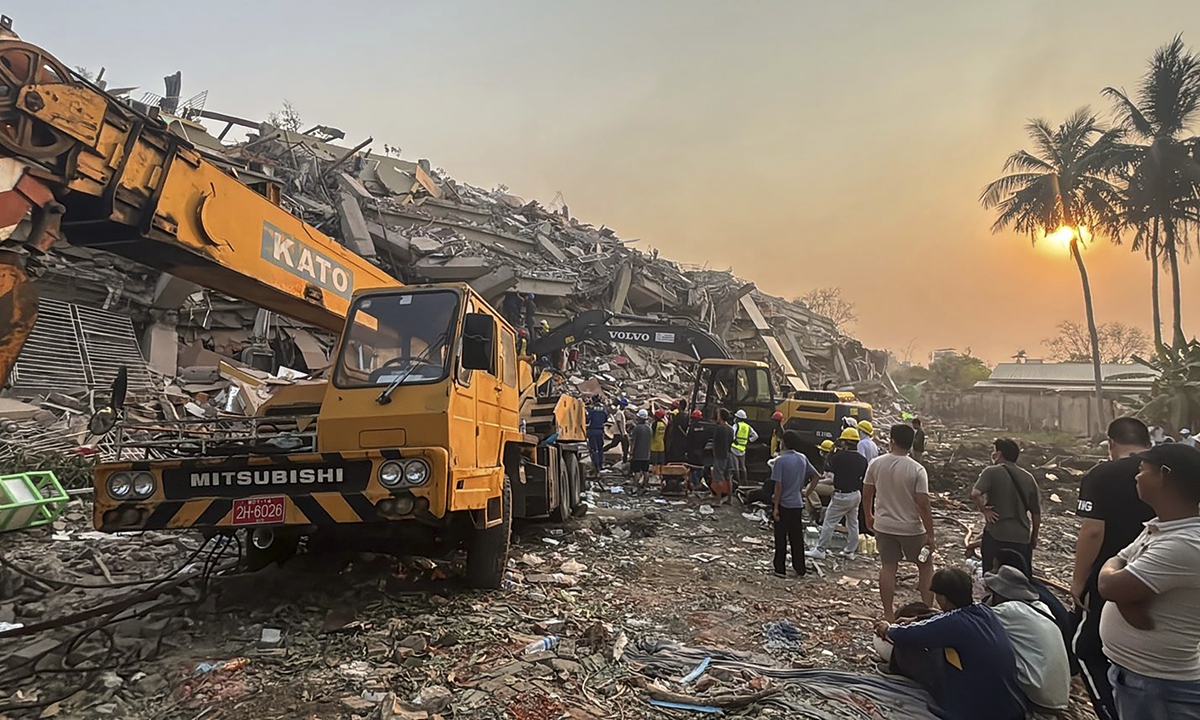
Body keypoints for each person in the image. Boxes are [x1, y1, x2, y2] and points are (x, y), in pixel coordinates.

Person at [1097, 442, 1200, 719]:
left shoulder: (1186, 544)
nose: (1136, 476)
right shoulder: (1160, 527)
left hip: (1162, 687)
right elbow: (1117, 560)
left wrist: (1122, 589)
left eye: (1143, 470)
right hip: (1143, 679)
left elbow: (1108, 585)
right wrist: (1128, 599)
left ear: (1164, 475)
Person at [1071, 417, 1154, 720]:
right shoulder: (1174, 470)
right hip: (1162, 573)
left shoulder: (1102, 475)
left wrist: (1079, 580)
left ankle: (1112, 711)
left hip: (1113, 577)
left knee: (1087, 646)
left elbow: (1093, 531)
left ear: (1111, 444)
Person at [876, 568, 1027, 720]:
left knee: (912, 647)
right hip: (1011, 707)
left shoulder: (953, 623)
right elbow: (941, 620)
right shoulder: (984, 612)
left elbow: (907, 634)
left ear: (943, 598)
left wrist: (887, 628)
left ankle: (896, 669)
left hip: (976, 711)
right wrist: (917, 619)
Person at [864, 423, 935, 621]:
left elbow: (867, 492)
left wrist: (868, 515)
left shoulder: (876, 464)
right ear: (912, 443)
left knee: (888, 567)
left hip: (884, 526)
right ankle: (927, 612)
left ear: (892, 440)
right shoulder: (917, 469)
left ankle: (888, 614)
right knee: (925, 566)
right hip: (912, 529)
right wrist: (930, 534)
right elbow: (923, 504)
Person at [982, 565, 1071, 713]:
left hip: (1038, 694)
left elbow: (971, 619)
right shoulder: (1041, 606)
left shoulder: (1009, 610)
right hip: (1059, 695)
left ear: (999, 593)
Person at [971, 438, 1040, 575]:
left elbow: (975, 494)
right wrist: (1034, 537)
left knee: (992, 577)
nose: (992, 454)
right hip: (1021, 538)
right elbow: (1036, 512)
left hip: (997, 535)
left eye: (994, 451)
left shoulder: (991, 472)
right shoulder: (1028, 477)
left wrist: (984, 510)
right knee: (1020, 579)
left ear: (999, 454)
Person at [805, 428, 868, 560]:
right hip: (856, 494)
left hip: (841, 495)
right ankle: (850, 551)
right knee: (852, 523)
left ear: (845, 443)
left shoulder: (839, 457)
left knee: (829, 522)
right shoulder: (863, 460)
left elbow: (832, 477)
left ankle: (820, 549)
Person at [771, 431, 819, 578]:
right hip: (797, 503)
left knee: (781, 537)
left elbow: (778, 486)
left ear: (784, 443)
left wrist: (775, 507)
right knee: (796, 537)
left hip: (784, 504)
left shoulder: (780, 461)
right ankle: (800, 568)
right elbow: (816, 476)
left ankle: (780, 569)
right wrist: (807, 492)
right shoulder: (802, 458)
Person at [730, 409, 759, 489]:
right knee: (743, 466)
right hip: (743, 448)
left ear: (738, 418)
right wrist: (749, 440)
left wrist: (734, 440)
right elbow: (755, 436)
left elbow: (732, 434)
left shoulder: (736, 426)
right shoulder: (747, 426)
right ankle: (745, 481)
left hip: (734, 448)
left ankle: (738, 483)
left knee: (736, 467)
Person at [710, 409, 735, 504]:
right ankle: (729, 499)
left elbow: (715, 442)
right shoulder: (730, 429)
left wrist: (714, 453)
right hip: (729, 453)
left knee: (718, 478)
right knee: (729, 477)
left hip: (720, 455)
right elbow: (731, 441)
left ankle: (718, 500)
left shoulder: (719, 428)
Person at [602, 397, 630, 470]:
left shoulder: (620, 412)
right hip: (620, 433)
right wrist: (622, 432)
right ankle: (625, 460)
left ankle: (603, 450)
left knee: (614, 444)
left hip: (620, 432)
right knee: (626, 445)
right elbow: (618, 422)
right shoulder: (619, 413)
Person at [684, 409, 708, 493]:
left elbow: (688, 440)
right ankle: (699, 483)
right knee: (700, 467)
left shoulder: (691, 428)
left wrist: (686, 451)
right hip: (700, 451)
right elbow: (705, 439)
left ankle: (695, 484)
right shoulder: (704, 428)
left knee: (692, 468)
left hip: (692, 451)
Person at [585, 395, 608, 478]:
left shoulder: (591, 409)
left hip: (592, 431)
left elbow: (587, 419)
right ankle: (600, 466)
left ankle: (596, 467)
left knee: (594, 450)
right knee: (600, 449)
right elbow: (605, 419)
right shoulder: (604, 408)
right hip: (600, 431)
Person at [629, 409, 653, 493]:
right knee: (646, 471)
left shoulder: (637, 428)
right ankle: (645, 486)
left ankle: (635, 486)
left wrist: (631, 452)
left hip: (637, 454)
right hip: (647, 453)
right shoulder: (649, 428)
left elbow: (633, 442)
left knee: (637, 471)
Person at [666, 400, 690, 464]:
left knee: (675, 455)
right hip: (682, 440)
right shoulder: (687, 415)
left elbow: (676, 426)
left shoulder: (679, 415)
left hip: (677, 439)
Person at [649, 409, 668, 474]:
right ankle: (661, 475)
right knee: (661, 463)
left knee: (654, 463)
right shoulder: (663, 424)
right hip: (661, 446)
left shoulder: (655, 424)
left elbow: (651, 434)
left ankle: (655, 475)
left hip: (654, 446)